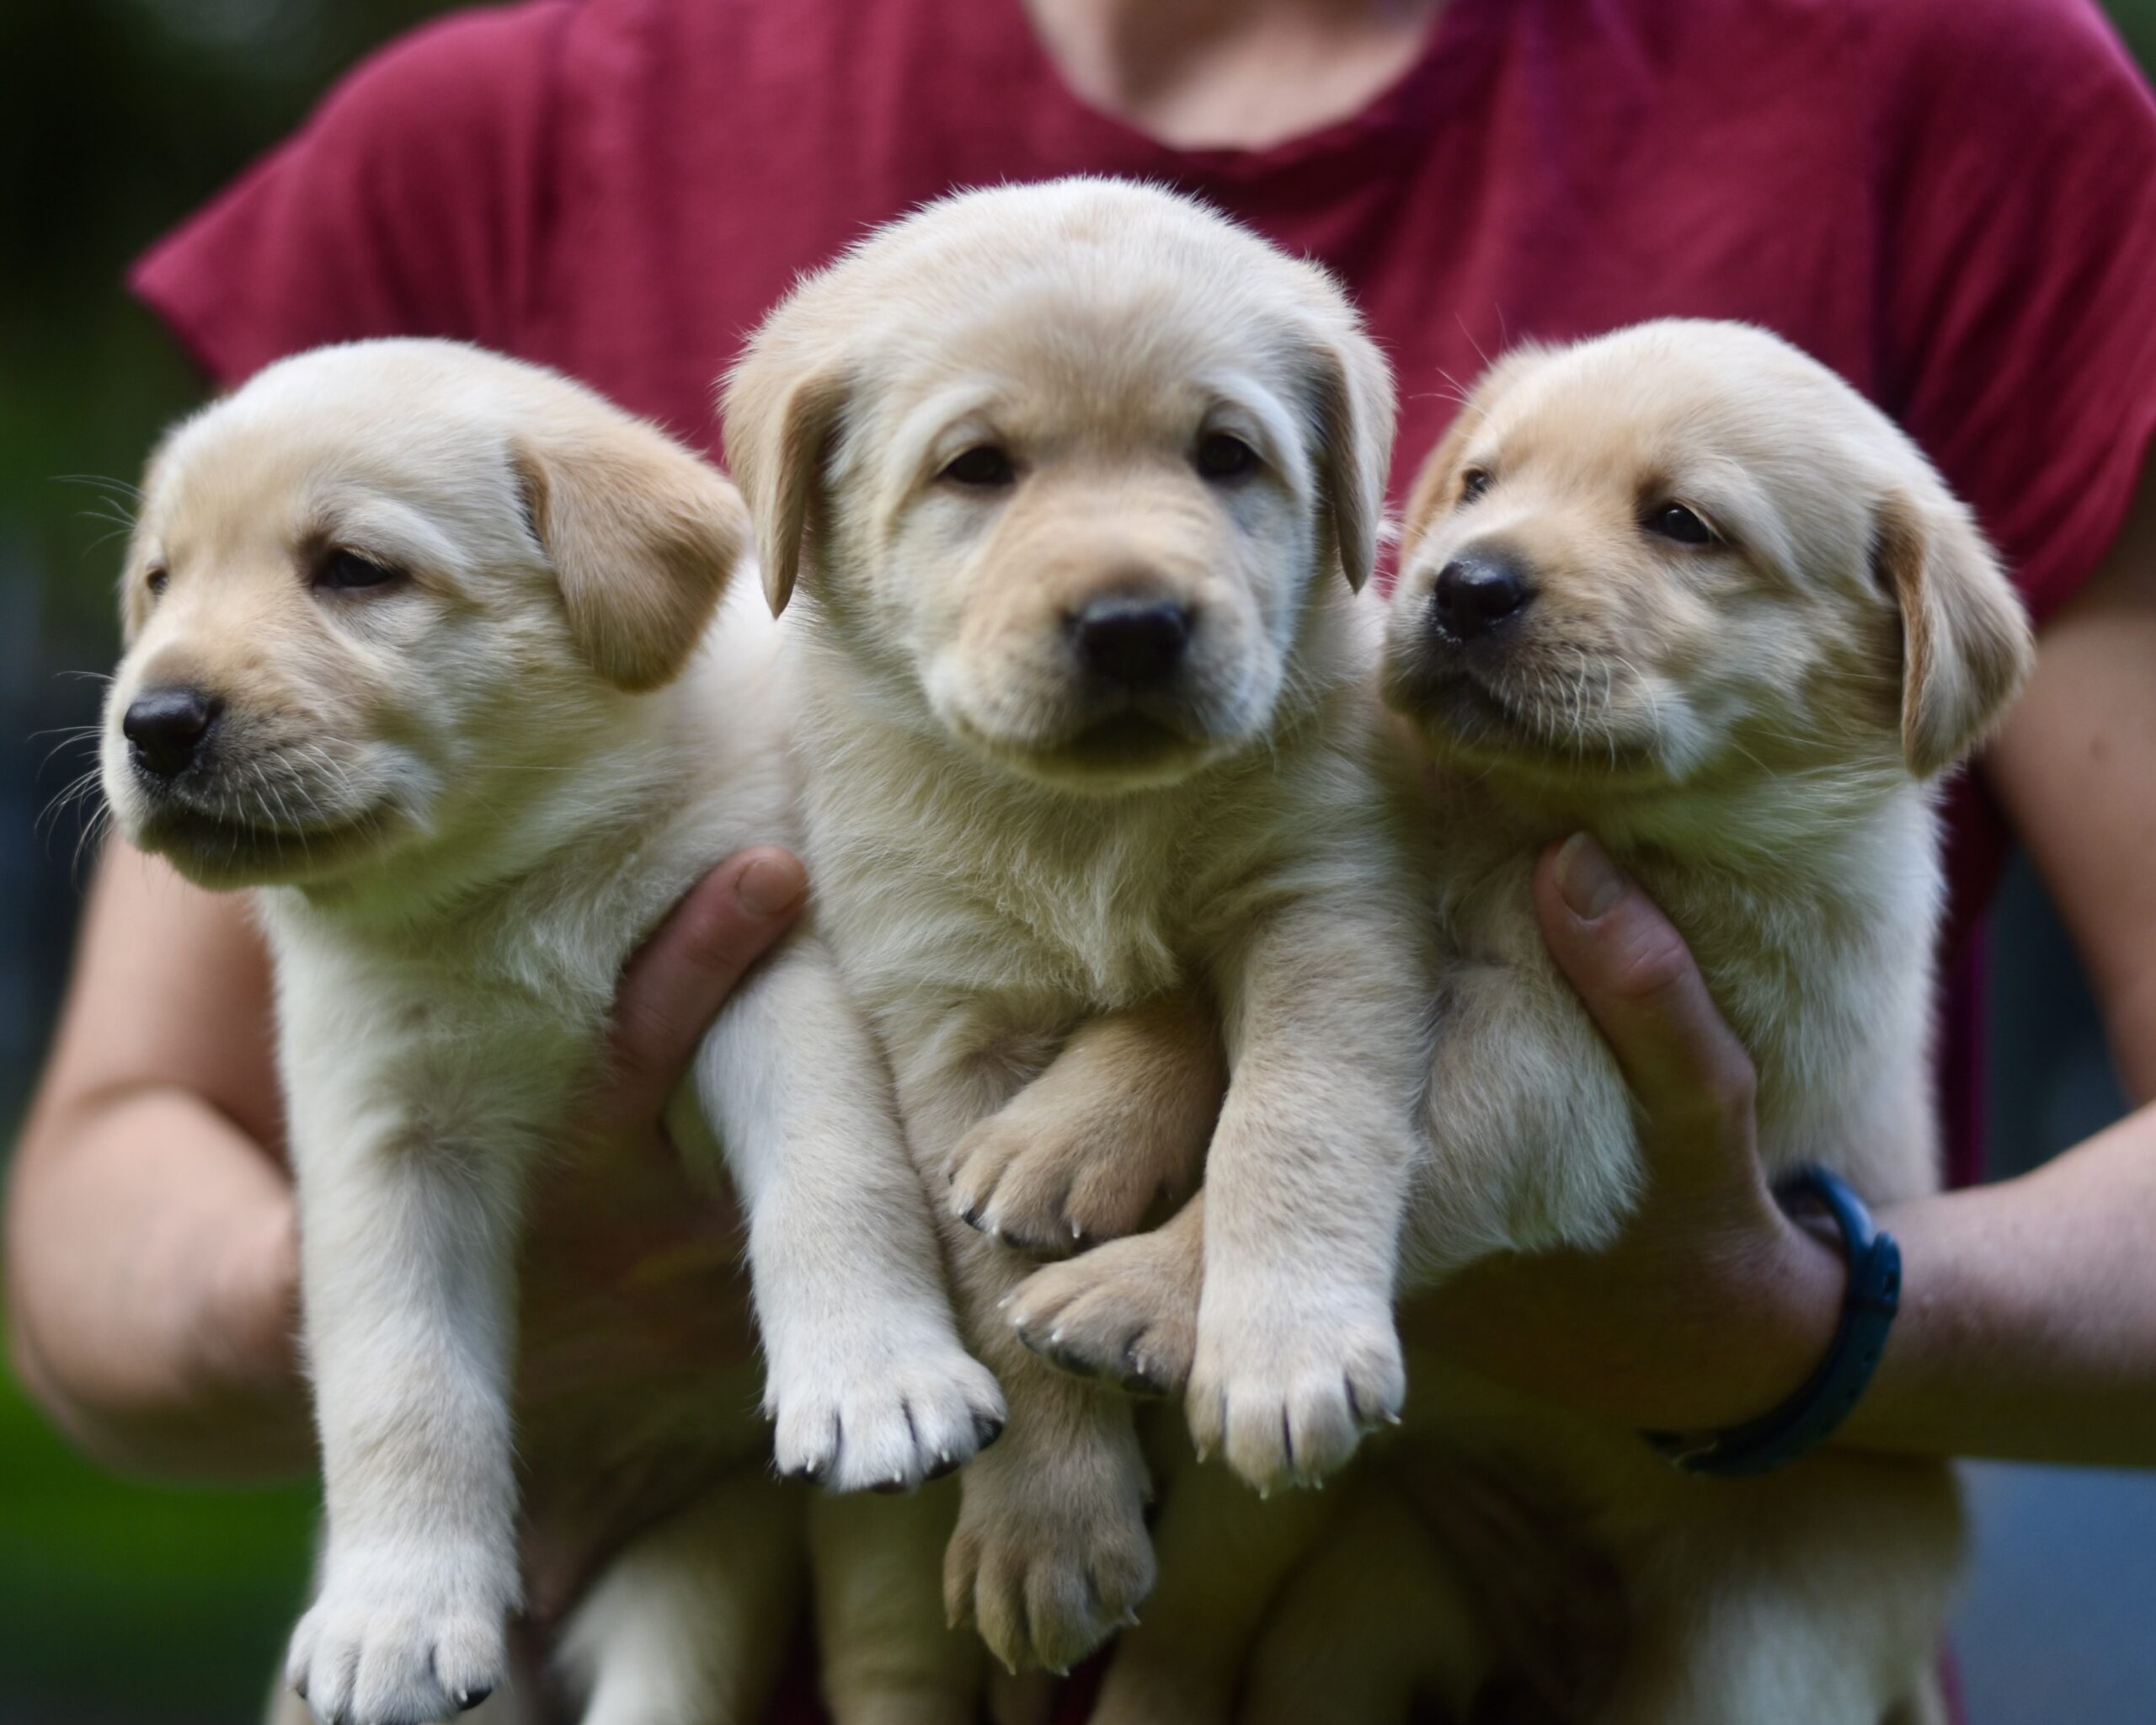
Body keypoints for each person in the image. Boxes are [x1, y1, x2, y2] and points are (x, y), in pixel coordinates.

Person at [10, 0, 2156, 1715]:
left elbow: (1328, 952)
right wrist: (462, 1286)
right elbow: (106, 1201)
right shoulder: (485, 135)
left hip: (1689, 1552)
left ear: (1347, 489)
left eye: (1229, 457)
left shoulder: (1942, 80)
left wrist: (1799, 1329)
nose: (1127, 571)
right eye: (975, 467)